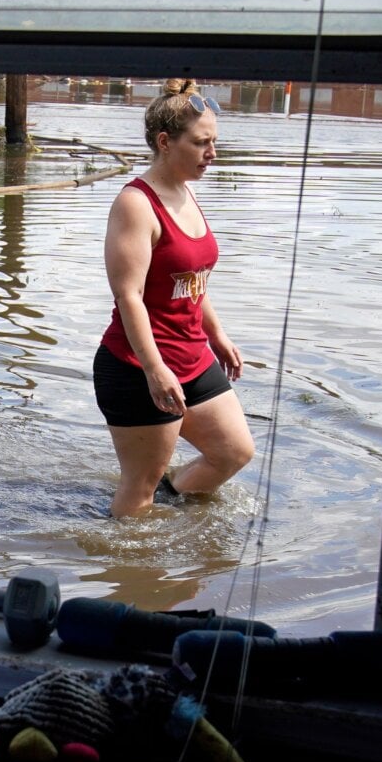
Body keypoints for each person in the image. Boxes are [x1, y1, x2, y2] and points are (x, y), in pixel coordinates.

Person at [95, 80, 255, 517]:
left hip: (191, 354)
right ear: (165, 142)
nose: (212, 153)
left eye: (215, 142)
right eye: (201, 143)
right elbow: (129, 295)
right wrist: (154, 369)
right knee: (139, 488)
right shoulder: (136, 204)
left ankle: (171, 511)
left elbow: (190, 279)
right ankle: (129, 567)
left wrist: (216, 333)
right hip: (138, 365)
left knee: (233, 452)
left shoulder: (185, 192)